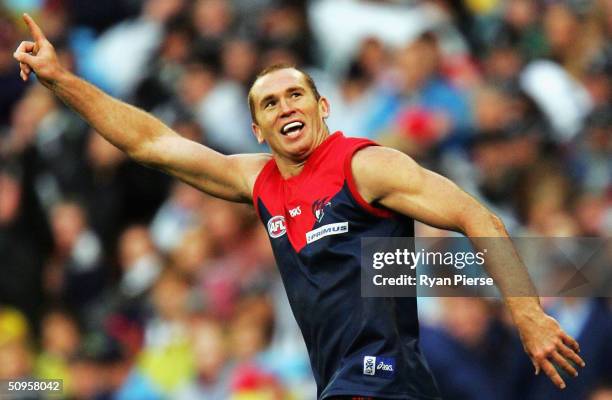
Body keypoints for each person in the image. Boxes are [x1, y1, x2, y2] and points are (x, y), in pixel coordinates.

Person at [13, 14, 585, 400]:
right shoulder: (258, 180)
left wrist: (529, 316)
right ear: (258, 129)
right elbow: (150, 143)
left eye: (295, 94)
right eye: (269, 102)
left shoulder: (365, 166)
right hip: (342, 381)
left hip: (380, 377)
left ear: (322, 106)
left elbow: (476, 216)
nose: (285, 106)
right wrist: (62, 80)